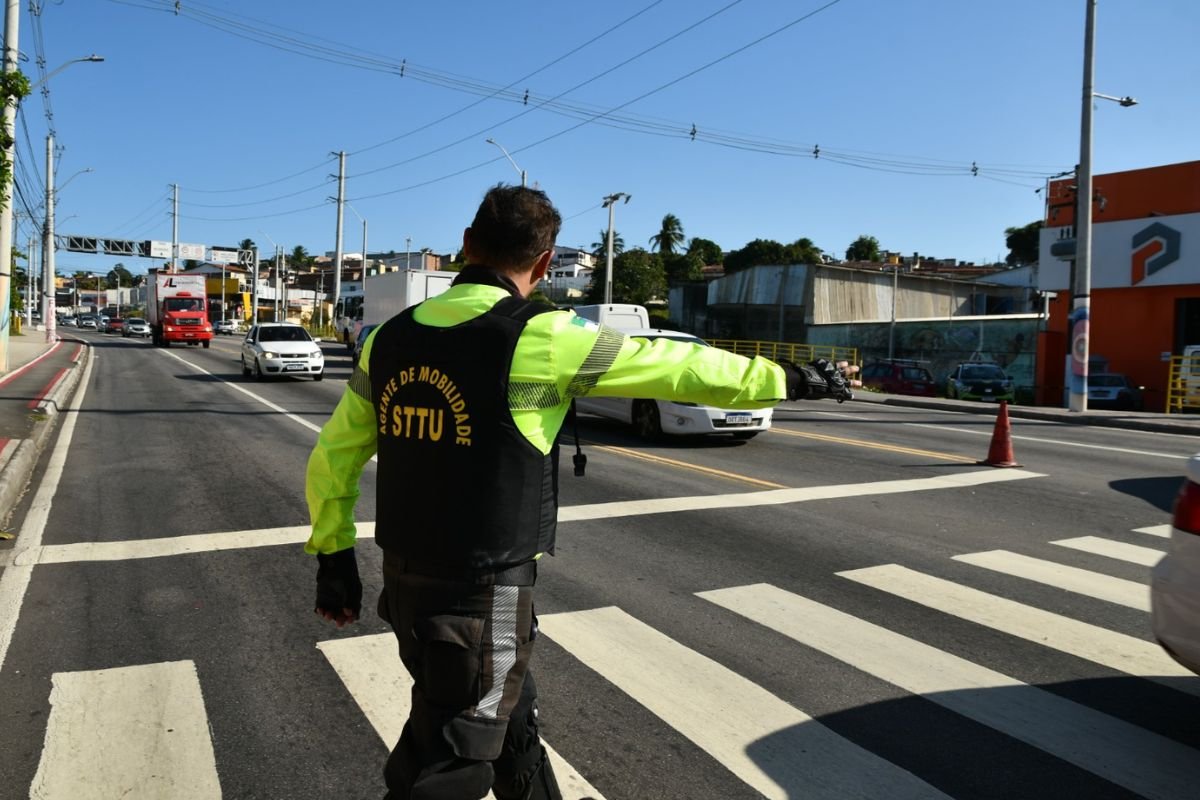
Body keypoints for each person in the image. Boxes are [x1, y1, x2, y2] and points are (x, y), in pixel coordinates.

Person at [305, 184, 807, 799]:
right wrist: (784, 377)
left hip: (407, 581)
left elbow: (334, 454)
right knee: (454, 758)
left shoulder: (389, 339)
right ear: (543, 264)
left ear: (465, 245)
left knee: (510, 724)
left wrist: (333, 553)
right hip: (485, 592)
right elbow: (679, 367)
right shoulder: (545, 336)